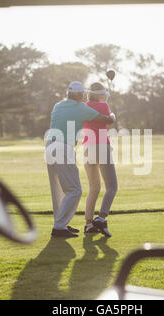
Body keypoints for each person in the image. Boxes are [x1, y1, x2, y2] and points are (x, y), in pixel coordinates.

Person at [45, 81, 114, 238]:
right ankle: (59, 227)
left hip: (49, 146)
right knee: (75, 190)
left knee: (59, 190)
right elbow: (106, 120)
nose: (83, 95)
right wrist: (112, 115)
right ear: (78, 94)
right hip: (63, 147)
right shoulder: (81, 108)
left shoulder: (58, 105)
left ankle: (61, 224)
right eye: (82, 94)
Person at [82, 82, 118, 237]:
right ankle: (101, 218)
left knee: (94, 188)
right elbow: (110, 121)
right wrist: (112, 114)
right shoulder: (103, 106)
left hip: (87, 148)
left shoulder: (83, 107)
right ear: (100, 94)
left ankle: (89, 224)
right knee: (112, 187)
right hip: (101, 146)